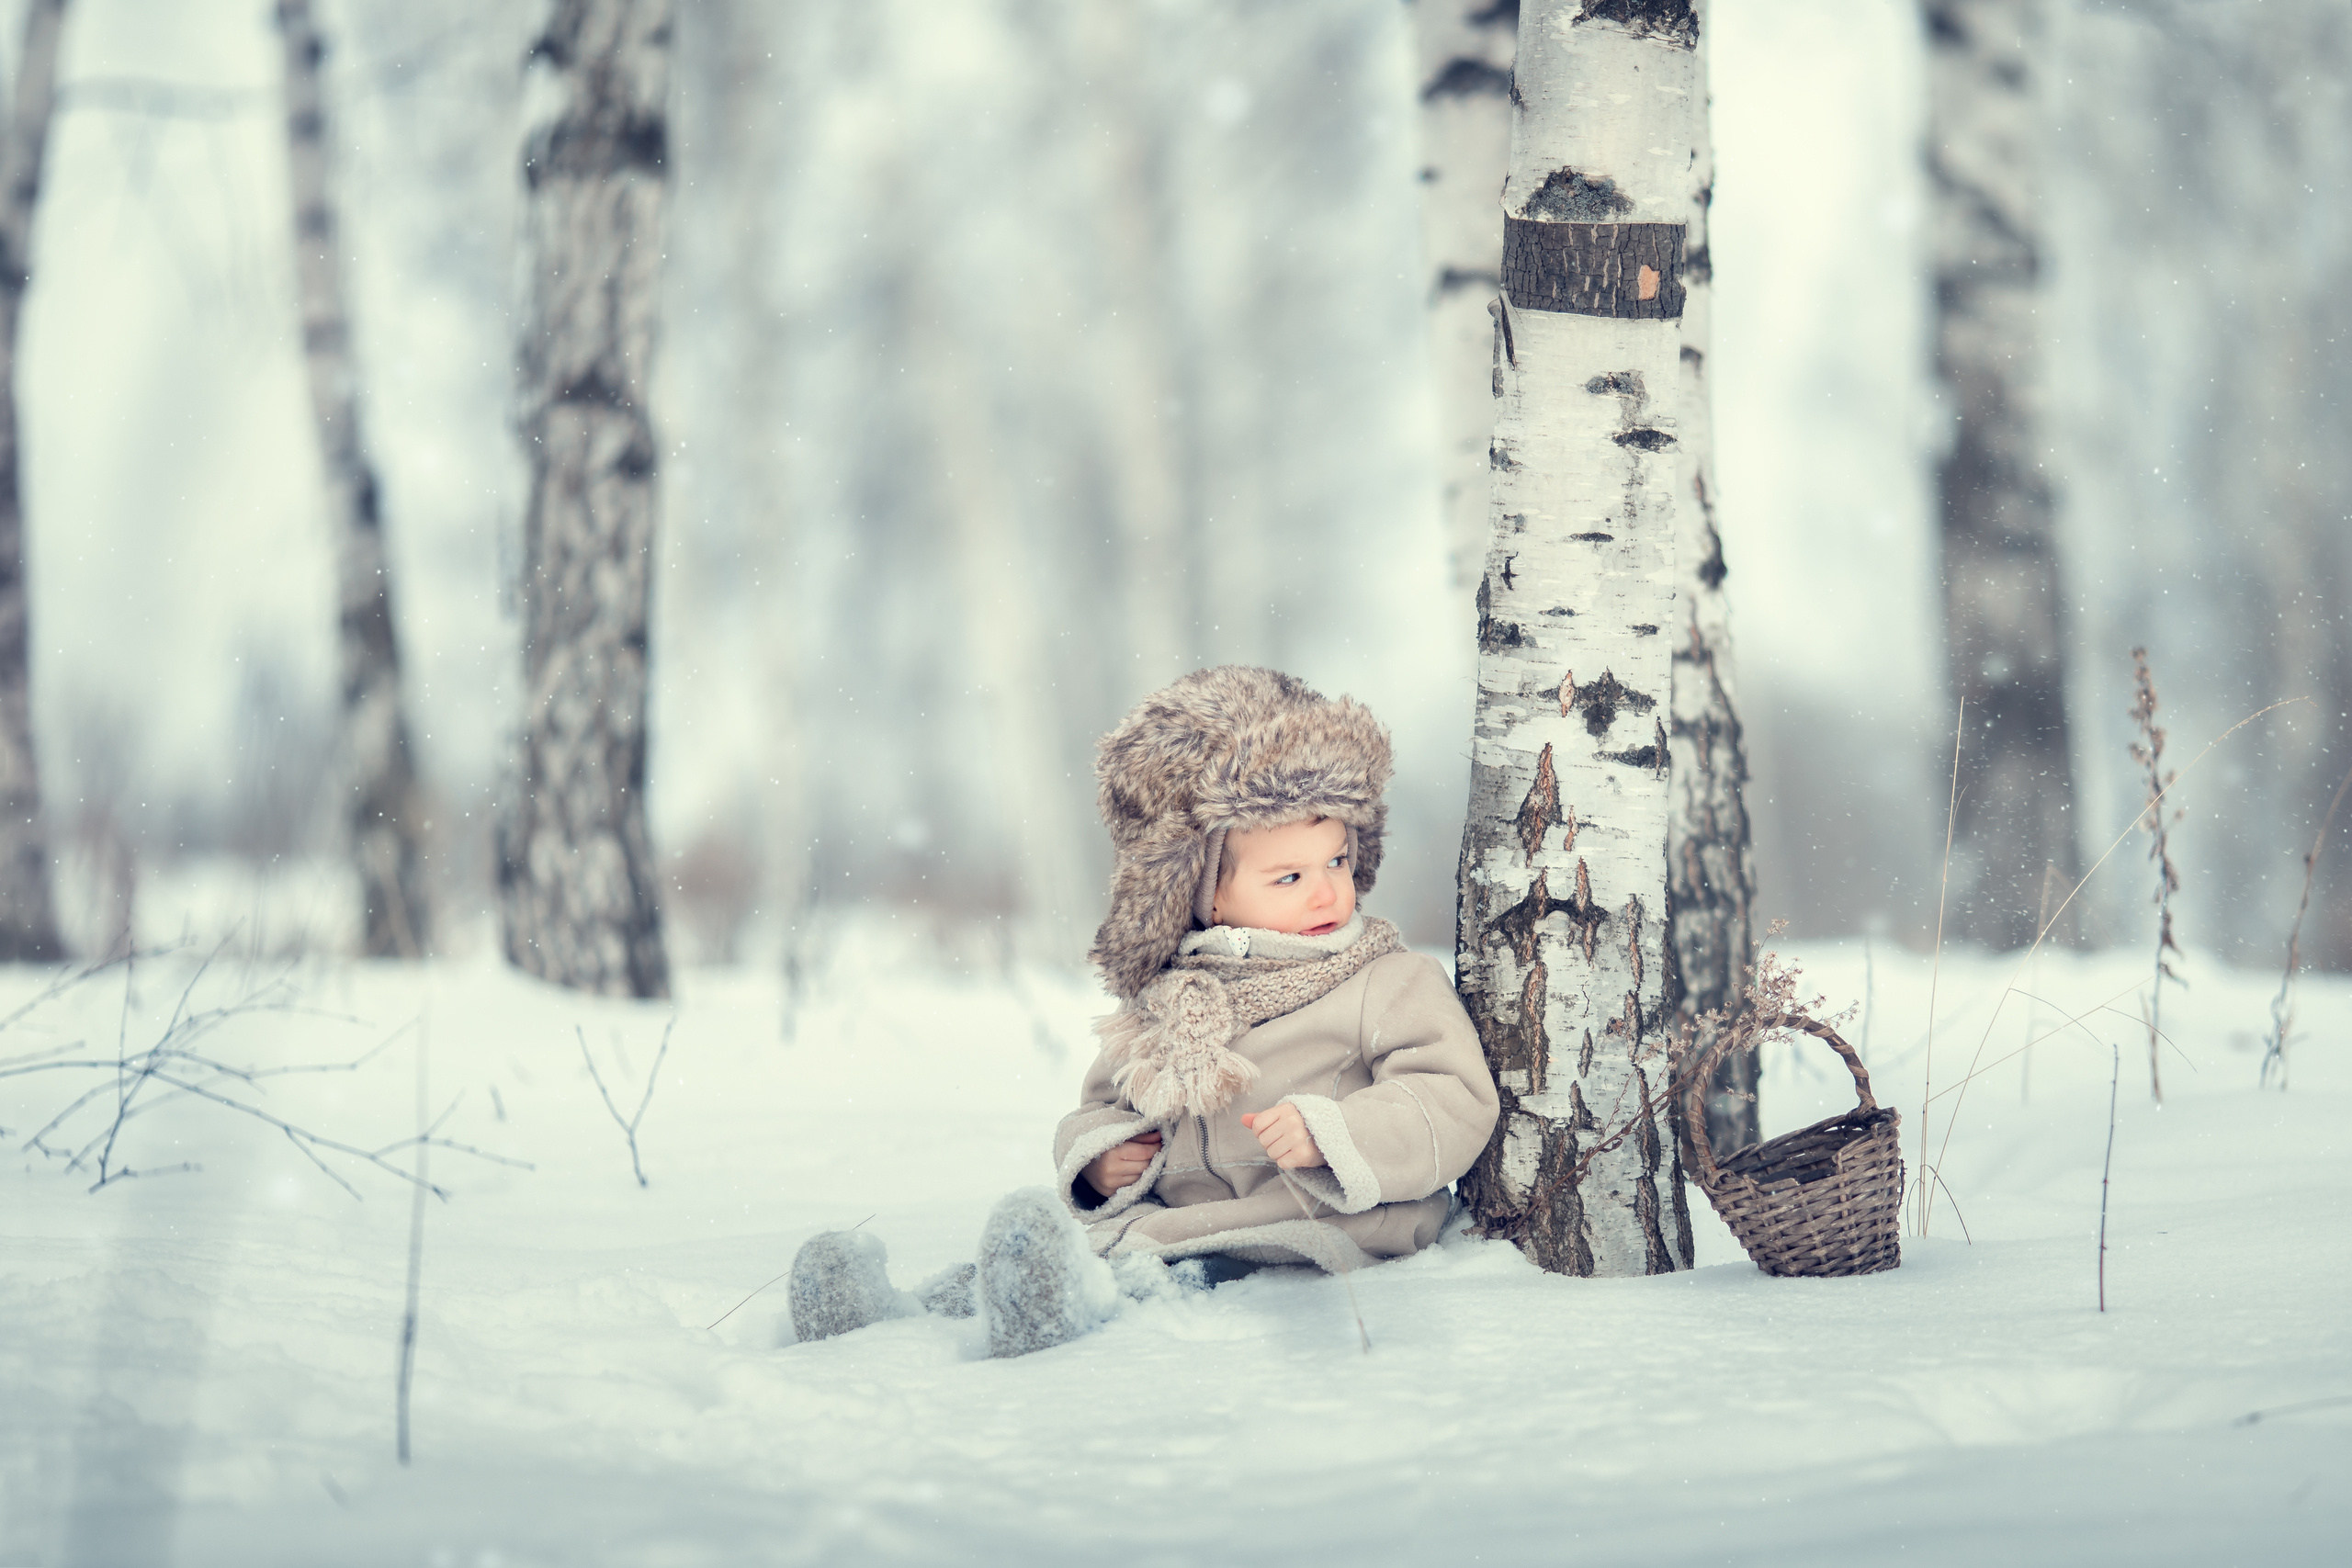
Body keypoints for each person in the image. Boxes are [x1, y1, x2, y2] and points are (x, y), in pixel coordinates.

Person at [786, 667, 1499, 1357]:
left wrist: (1335, 1135)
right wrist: (1101, 1163)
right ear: (1205, 895)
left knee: (1148, 1284)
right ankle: (887, 1314)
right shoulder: (1173, 997)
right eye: (1289, 876)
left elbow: (1453, 1098)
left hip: (1303, 1229)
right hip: (1169, 1225)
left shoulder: (1384, 979)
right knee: (1096, 1257)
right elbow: (1102, 1103)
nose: (1326, 893)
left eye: (1337, 862)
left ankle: (1053, 1312)